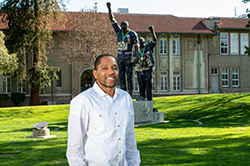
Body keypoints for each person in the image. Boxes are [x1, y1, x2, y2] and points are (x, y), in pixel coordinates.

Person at [66, 54, 141, 166]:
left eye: (114, 68)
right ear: (95, 74)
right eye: (104, 68)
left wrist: (134, 163)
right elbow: (74, 149)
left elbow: (130, 139)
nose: (111, 72)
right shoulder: (83, 101)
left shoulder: (126, 98)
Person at [107, 2, 140, 97]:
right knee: (121, 74)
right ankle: (123, 91)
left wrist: (137, 56)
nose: (123, 29)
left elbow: (136, 45)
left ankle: (130, 92)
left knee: (129, 75)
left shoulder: (132, 34)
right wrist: (109, 8)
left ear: (127, 27)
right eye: (122, 28)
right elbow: (111, 18)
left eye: (125, 28)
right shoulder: (118, 31)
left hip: (128, 56)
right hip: (120, 56)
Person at [135, 26, 157, 101]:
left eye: (140, 43)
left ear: (144, 43)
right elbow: (134, 60)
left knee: (148, 88)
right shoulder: (136, 50)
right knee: (141, 88)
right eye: (138, 44)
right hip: (140, 71)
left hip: (147, 70)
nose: (139, 45)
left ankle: (149, 103)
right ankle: (142, 103)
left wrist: (152, 32)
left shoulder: (148, 47)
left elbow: (155, 40)